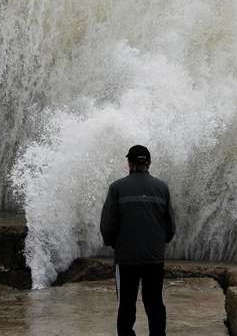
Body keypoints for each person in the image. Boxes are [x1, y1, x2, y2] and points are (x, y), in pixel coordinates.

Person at [100, 144, 176, 336]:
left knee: (126, 302)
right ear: (149, 163)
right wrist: (158, 244)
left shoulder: (116, 187)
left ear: (129, 163)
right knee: (154, 302)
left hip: (126, 257)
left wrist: (113, 243)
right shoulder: (162, 187)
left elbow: (107, 225)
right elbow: (170, 228)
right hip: (154, 258)